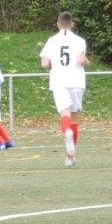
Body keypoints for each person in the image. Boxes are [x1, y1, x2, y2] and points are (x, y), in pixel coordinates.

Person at [39, 11, 88, 167]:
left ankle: (66, 132)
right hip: (76, 80)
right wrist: (87, 61)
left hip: (59, 80)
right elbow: (81, 60)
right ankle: (70, 157)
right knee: (74, 117)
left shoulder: (52, 40)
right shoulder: (79, 40)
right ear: (72, 24)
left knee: (64, 114)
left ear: (58, 24)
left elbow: (45, 64)